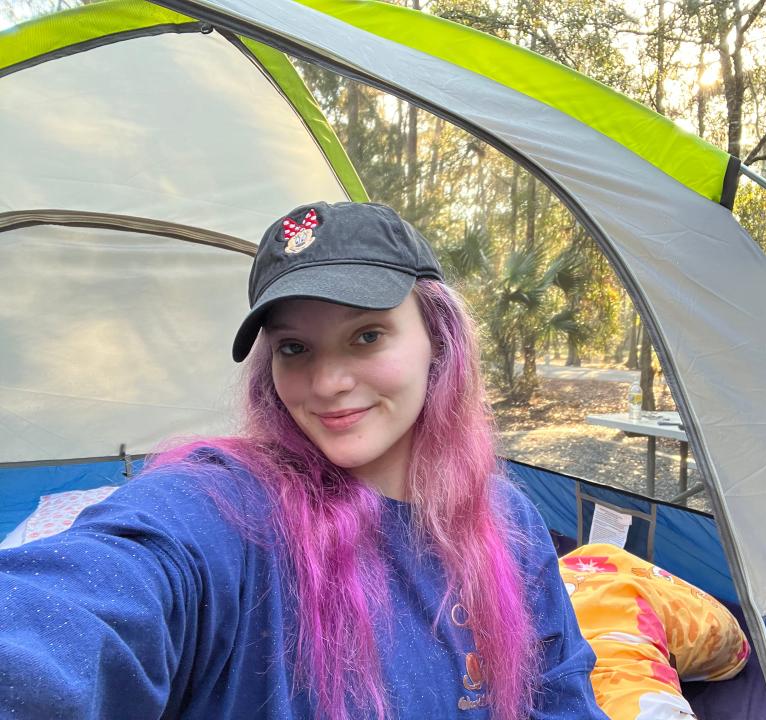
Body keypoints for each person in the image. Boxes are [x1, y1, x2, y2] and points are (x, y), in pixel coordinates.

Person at [0, 202, 607, 720]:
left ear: (439, 341)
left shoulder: (506, 520)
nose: (327, 382)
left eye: (366, 336)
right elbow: (74, 609)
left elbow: (560, 694)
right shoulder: (225, 509)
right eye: (294, 348)